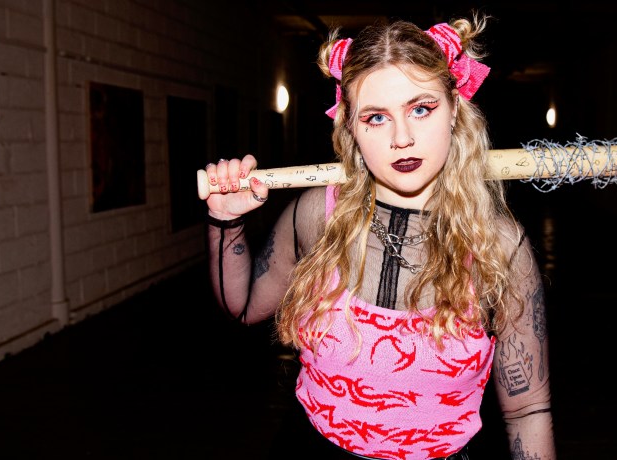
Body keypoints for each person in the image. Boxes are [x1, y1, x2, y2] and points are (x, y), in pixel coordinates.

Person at [204, 16, 555, 460]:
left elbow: (528, 410)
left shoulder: (499, 246)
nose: (402, 138)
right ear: (350, 126)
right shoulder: (316, 215)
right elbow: (242, 307)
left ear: (454, 108)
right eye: (376, 117)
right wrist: (225, 222)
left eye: (421, 109)